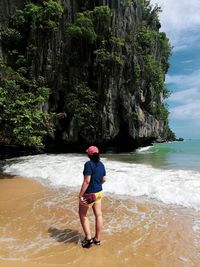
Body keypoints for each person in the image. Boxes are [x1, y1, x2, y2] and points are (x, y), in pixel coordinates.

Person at [79, 145, 106, 248]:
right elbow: (104, 180)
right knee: (98, 215)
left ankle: (88, 239)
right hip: (99, 192)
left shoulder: (88, 164)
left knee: (82, 214)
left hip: (89, 193)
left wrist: (81, 194)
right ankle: (97, 239)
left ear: (89, 155)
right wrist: (97, 186)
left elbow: (87, 181)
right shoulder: (101, 164)